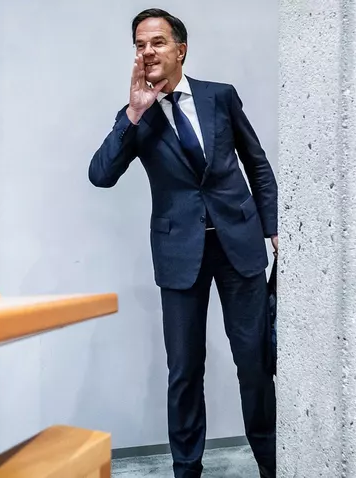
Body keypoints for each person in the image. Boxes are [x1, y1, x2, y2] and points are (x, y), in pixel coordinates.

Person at [88, 8, 278, 478]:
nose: (147, 52)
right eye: (139, 45)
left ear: (181, 49)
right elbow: (100, 175)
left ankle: (273, 464)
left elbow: (256, 163)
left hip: (239, 245)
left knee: (255, 364)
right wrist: (134, 114)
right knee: (185, 371)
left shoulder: (220, 97)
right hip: (180, 254)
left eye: (157, 42)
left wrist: (274, 227)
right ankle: (187, 470)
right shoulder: (137, 117)